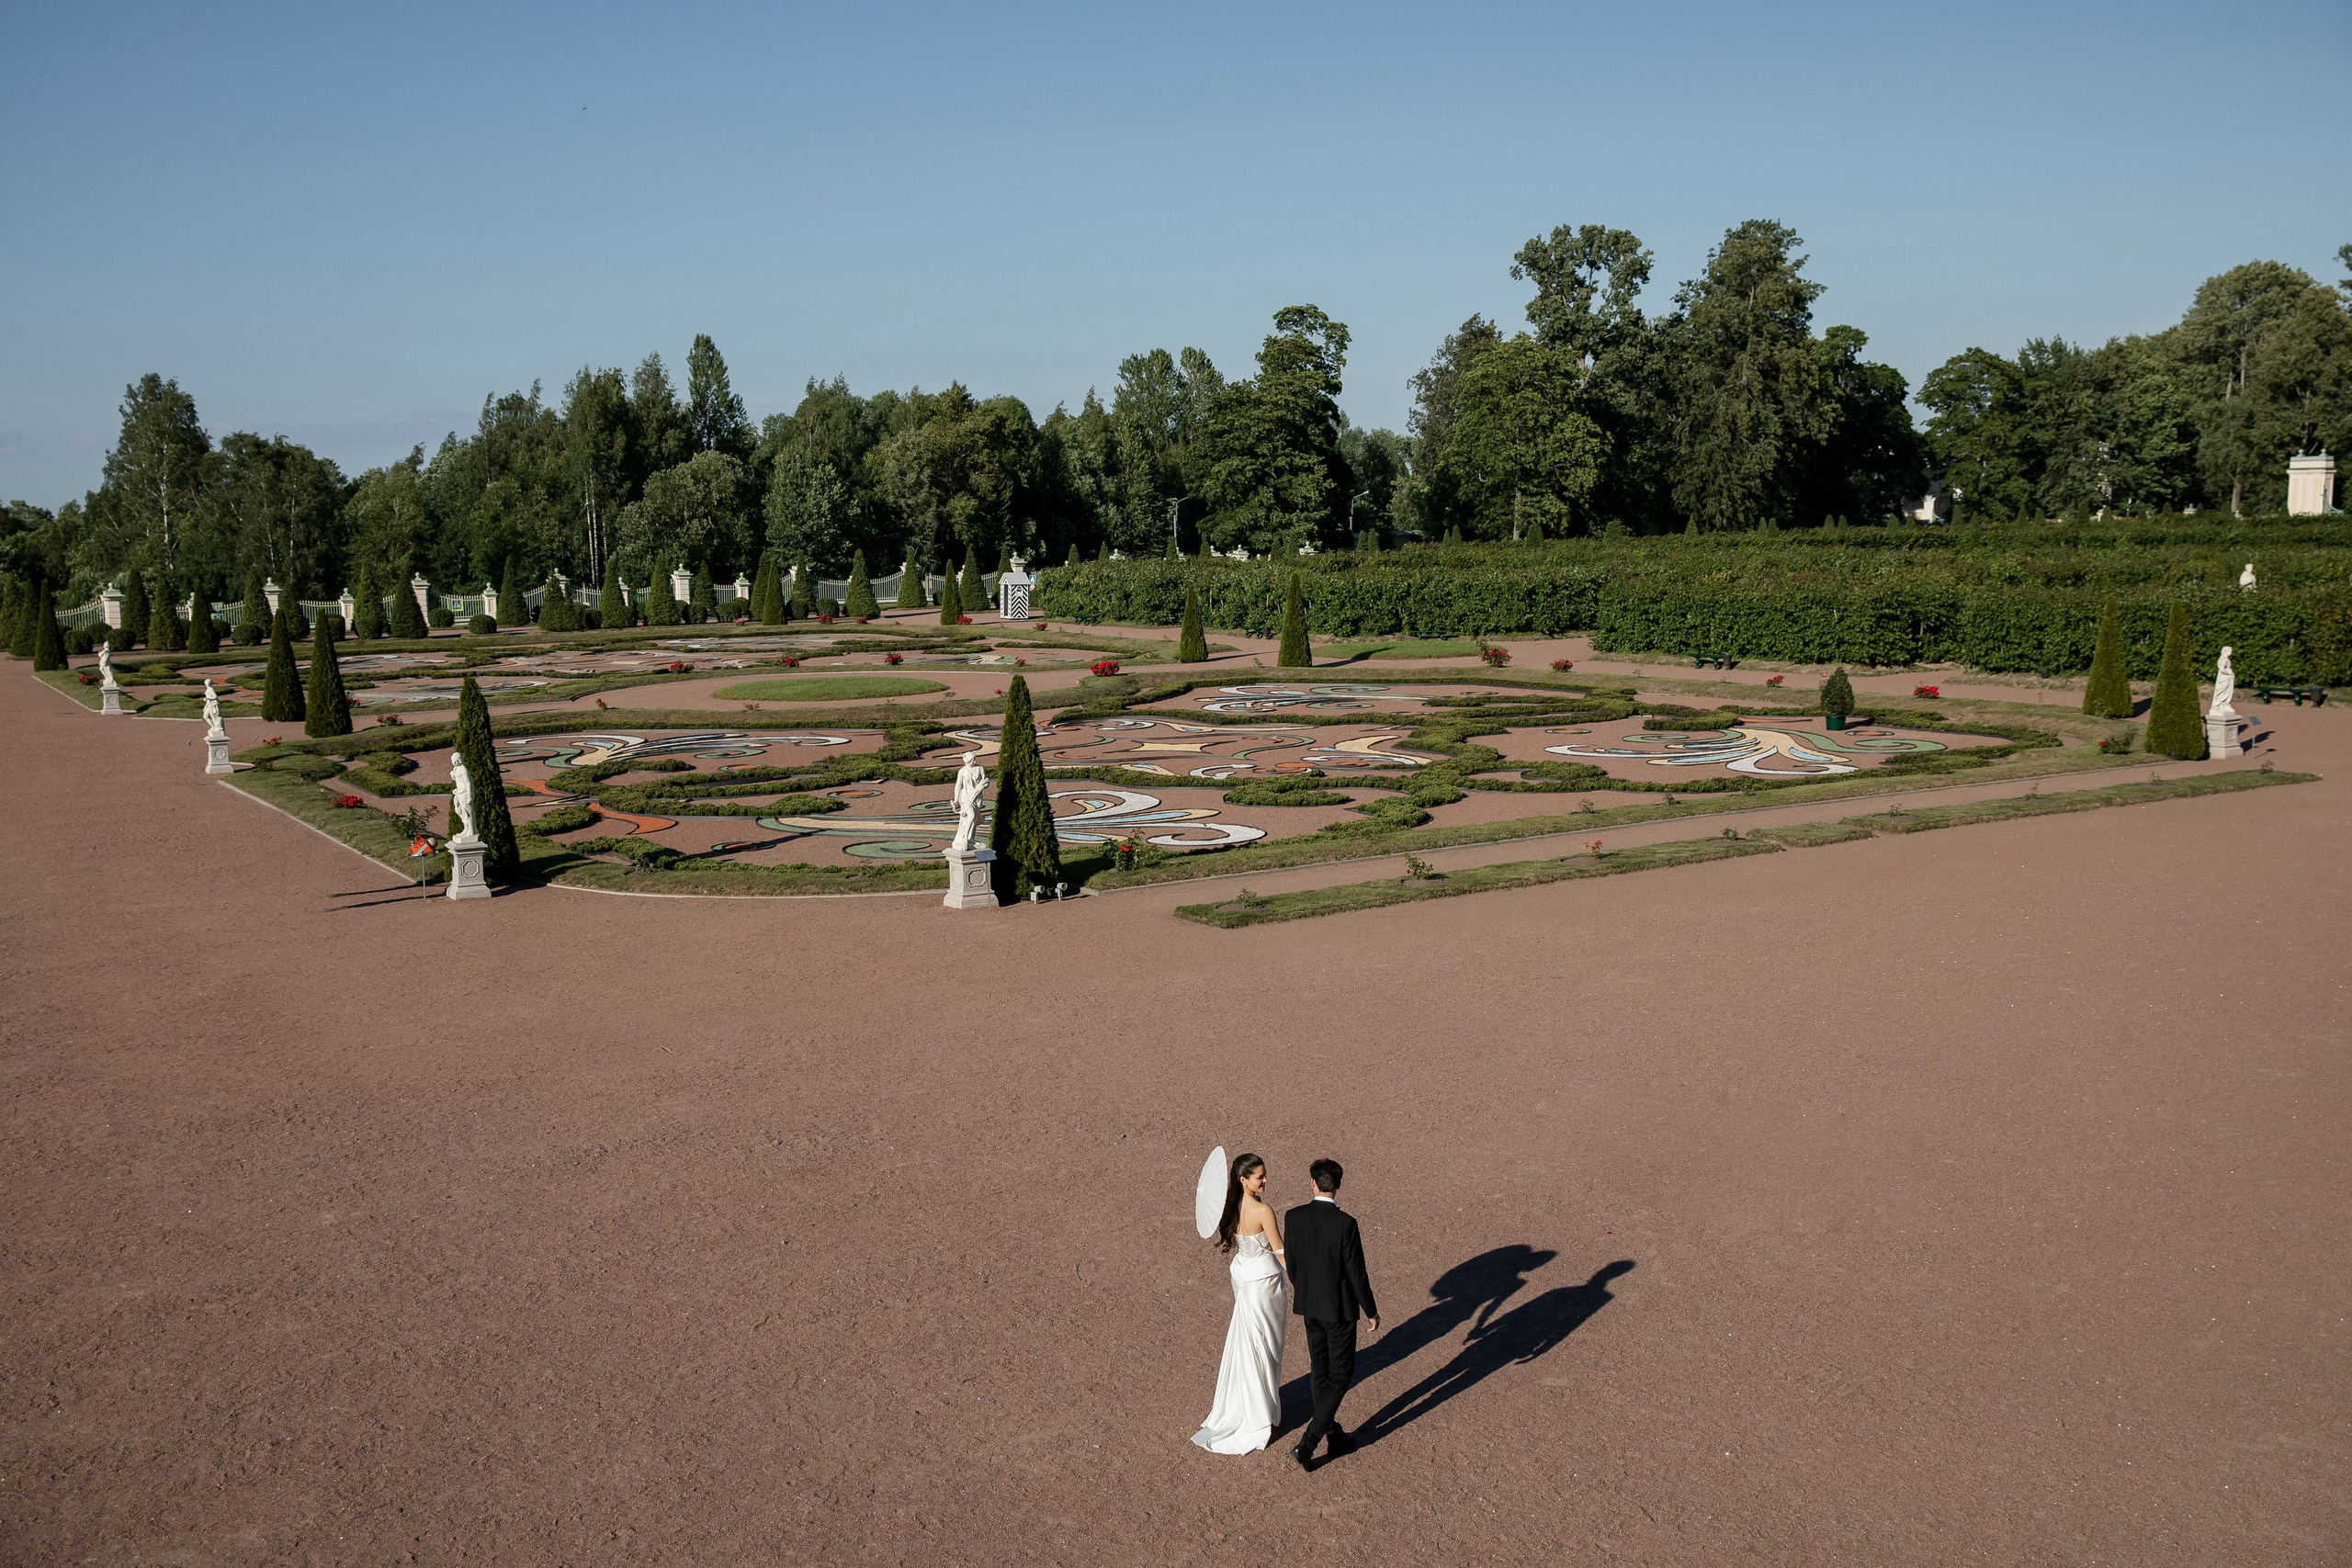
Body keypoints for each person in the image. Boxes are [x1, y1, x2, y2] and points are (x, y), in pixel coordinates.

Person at [1284, 1158, 1378, 1470]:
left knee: (1319, 1372)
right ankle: (1308, 1443)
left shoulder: (1294, 1217)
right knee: (1340, 1376)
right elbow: (1357, 1272)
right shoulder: (1346, 1224)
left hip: (1310, 1306)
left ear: (1312, 1183)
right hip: (1339, 1310)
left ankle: (1334, 1433)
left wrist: (1305, 1291)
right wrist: (1370, 1309)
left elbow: (1293, 1264)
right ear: (1338, 1185)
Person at [1190, 1153, 1286, 1453]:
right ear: (1244, 1180)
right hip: (1263, 1282)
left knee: (1248, 1341)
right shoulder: (1263, 1210)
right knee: (1265, 1345)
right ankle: (1259, 1413)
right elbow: (1280, 1252)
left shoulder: (1230, 1207)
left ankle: (1249, 1406)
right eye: (1260, 1177)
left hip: (1243, 1275)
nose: (1265, 1180)